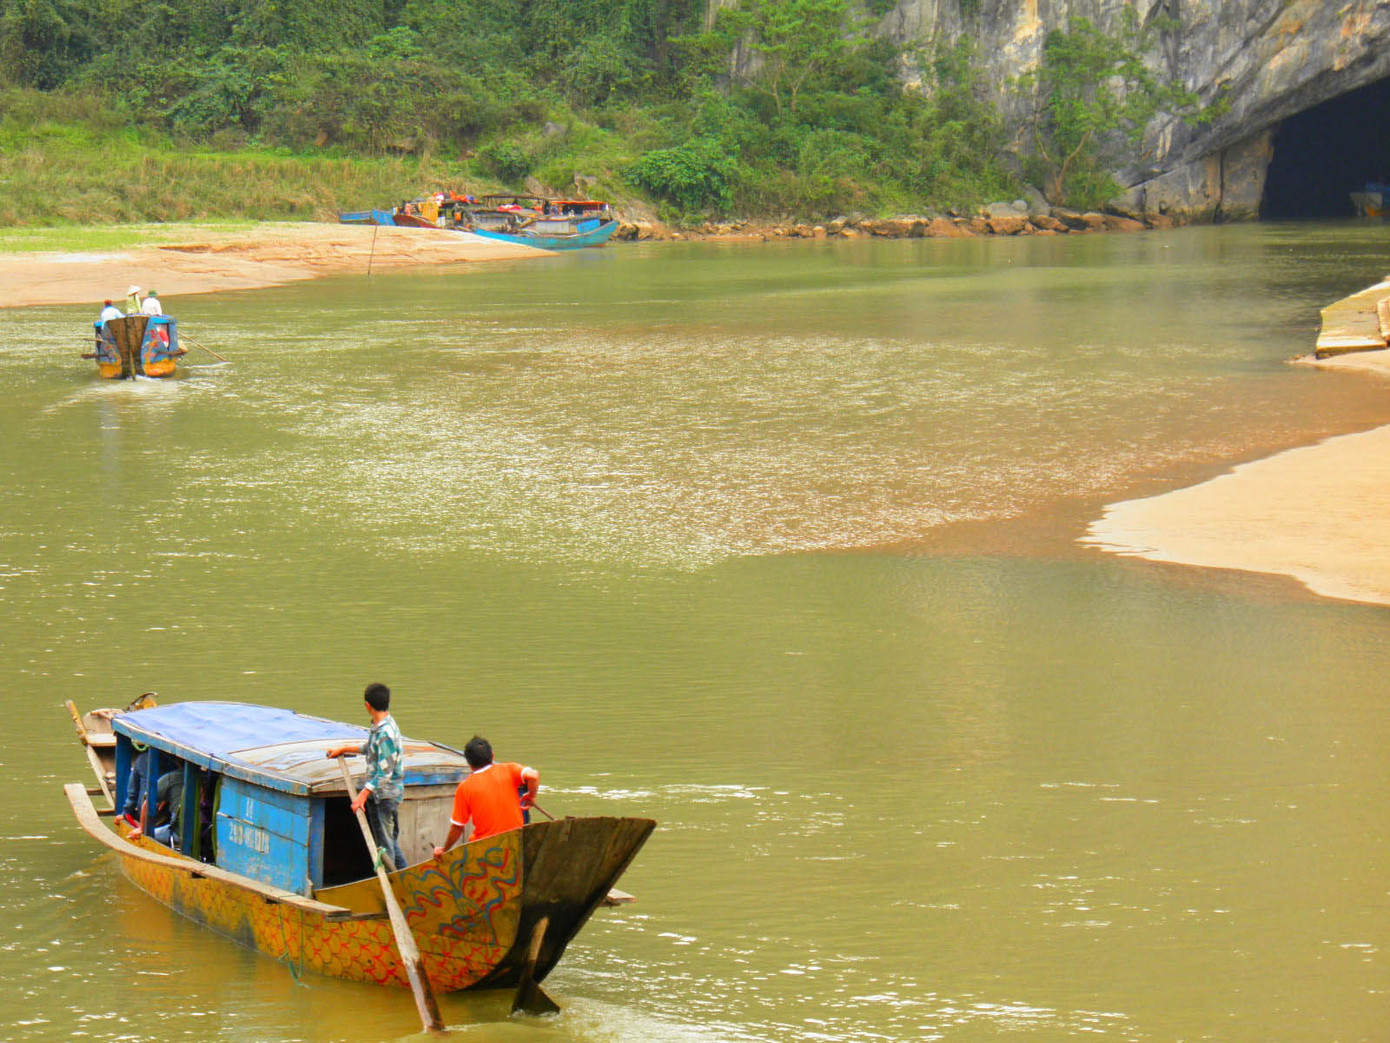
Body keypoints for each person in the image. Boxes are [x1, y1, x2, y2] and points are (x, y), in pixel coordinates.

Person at [325, 682, 406, 871]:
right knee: (390, 842)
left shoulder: (385, 733)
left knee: (385, 847)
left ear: (367, 706)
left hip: (384, 797)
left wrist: (362, 795)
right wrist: (343, 749)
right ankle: (404, 878)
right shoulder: (383, 725)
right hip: (385, 794)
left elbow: (385, 773)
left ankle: (392, 885)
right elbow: (370, 749)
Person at [432, 737, 538, 860]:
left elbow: (457, 827)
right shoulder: (509, 769)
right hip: (515, 843)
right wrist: (531, 796)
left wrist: (444, 850)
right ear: (492, 756)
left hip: (485, 849)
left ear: (470, 764)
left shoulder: (465, 787)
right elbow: (533, 776)